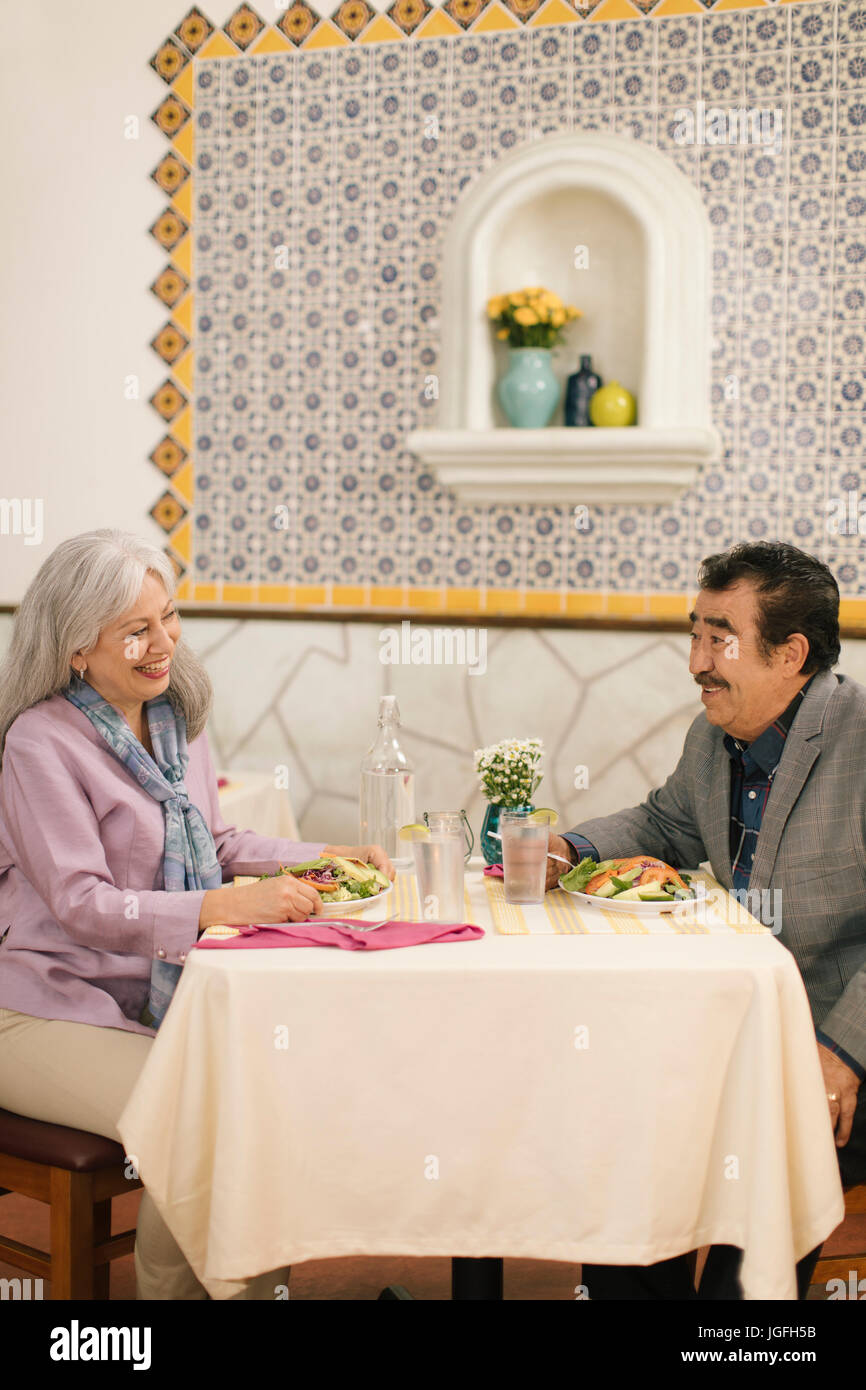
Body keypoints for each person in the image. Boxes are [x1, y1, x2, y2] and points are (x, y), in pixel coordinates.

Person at [0, 529, 394, 1299]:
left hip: (152, 1008)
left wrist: (326, 857)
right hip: (41, 1013)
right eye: (136, 630)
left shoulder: (173, 718)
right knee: (207, 1121)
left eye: (170, 617)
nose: (163, 644)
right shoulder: (38, 743)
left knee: (252, 1110)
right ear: (77, 648)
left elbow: (217, 839)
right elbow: (82, 904)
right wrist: (223, 904)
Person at [546, 541, 865, 1299]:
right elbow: (665, 825)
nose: (695, 661)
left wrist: (842, 1054)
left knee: (762, 1194)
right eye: (694, 633)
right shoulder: (714, 736)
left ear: (791, 654)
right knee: (632, 1130)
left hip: (836, 1043)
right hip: (737, 1032)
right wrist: (568, 847)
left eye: (717, 637)